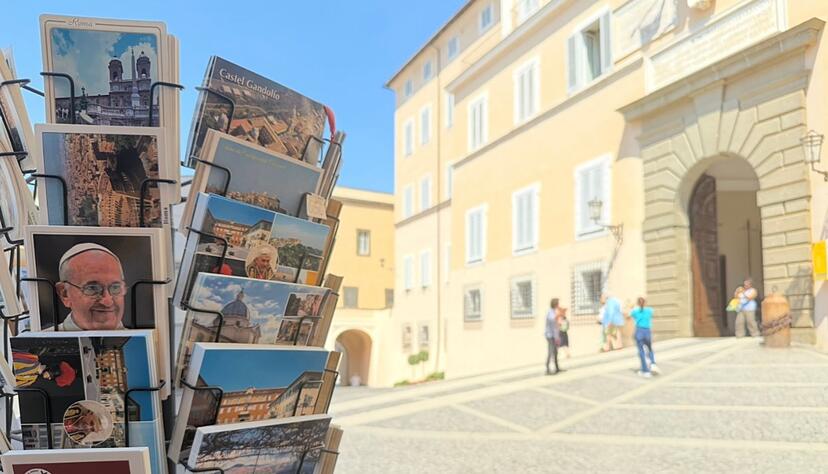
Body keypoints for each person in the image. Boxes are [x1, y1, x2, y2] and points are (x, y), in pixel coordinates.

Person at [55, 243, 126, 331]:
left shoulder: (147, 342)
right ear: (64, 294)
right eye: (92, 288)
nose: (107, 302)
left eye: (115, 288)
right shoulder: (38, 343)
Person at [630, 297, 659, 378]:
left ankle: (645, 370)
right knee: (649, 348)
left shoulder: (635, 311)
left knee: (641, 351)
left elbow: (629, 315)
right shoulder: (649, 310)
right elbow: (651, 313)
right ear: (645, 303)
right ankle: (653, 363)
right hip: (647, 331)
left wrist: (632, 307)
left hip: (639, 331)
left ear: (638, 303)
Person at [545, 298, 561, 375]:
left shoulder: (554, 312)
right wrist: (558, 315)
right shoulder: (550, 312)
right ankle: (547, 368)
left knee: (555, 352)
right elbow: (552, 321)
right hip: (550, 335)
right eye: (558, 304)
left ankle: (557, 367)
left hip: (554, 335)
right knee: (551, 352)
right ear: (555, 304)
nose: (559, 305)